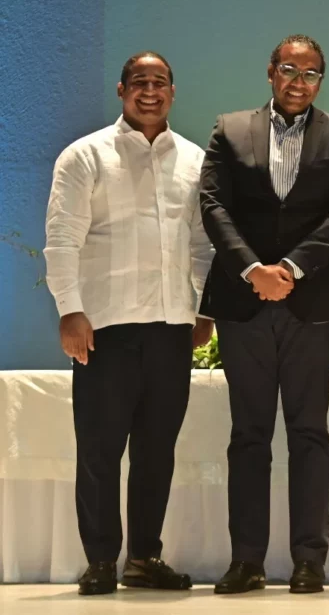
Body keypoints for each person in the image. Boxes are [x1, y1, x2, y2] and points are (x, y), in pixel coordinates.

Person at [198, 34, 329, 594]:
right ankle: (246, 561)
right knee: (248, 434)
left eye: (311, 73)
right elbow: (213, 205)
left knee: (308, 434)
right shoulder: (229, 129)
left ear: (322, 80)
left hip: (310, 302)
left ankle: (308, 561)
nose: (299, 81)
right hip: (243, 303)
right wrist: (254, 270)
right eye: (290, 70)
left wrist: (292, 269)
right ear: (271, 72)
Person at [43, 52, 213, 595]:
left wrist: (204, 308)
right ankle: (100, 560)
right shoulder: (84, 155)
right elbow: (63, 239)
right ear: (121, 90)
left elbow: (202, 244)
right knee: (99, 451)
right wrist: (70, 309)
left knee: (156, 452)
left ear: (172, 91)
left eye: (159, 82)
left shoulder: (194, 160)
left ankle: (144, 558)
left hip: (171, 327)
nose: (149, 91)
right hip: (104, 328)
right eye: (138, 82)